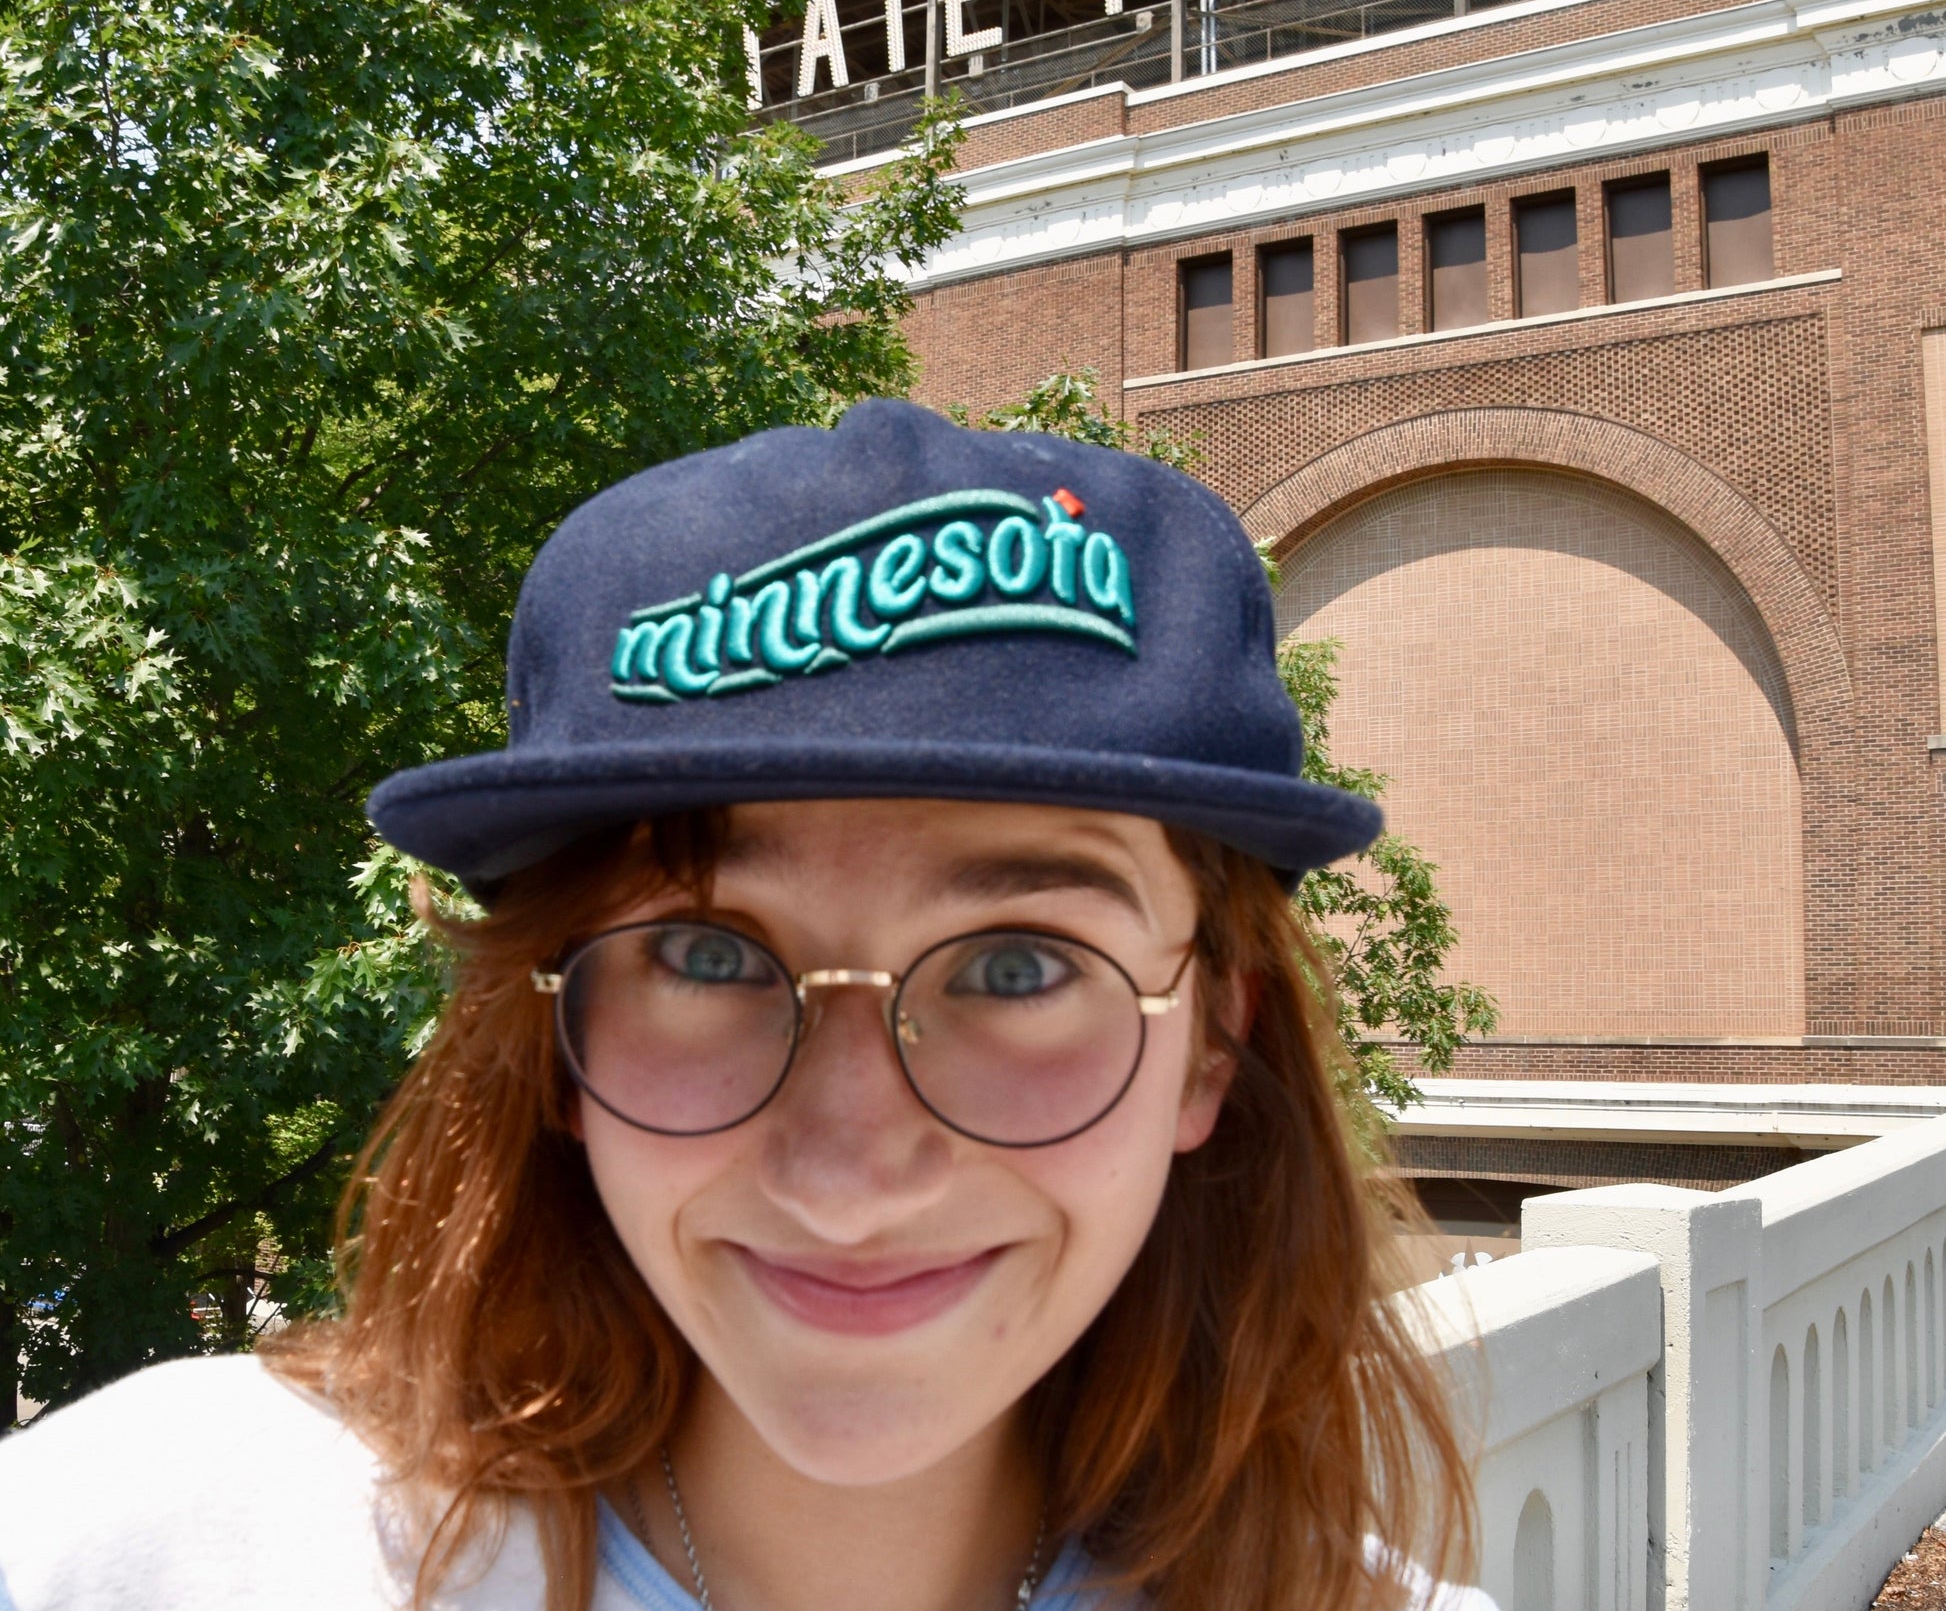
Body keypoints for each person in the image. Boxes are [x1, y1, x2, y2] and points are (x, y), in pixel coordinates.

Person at [0, 399, 1495, 1611]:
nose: (848, 1173)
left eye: (1018, 967)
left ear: (1211, 1043)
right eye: (708, 958)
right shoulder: (147, 1546)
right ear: (556, 1042)